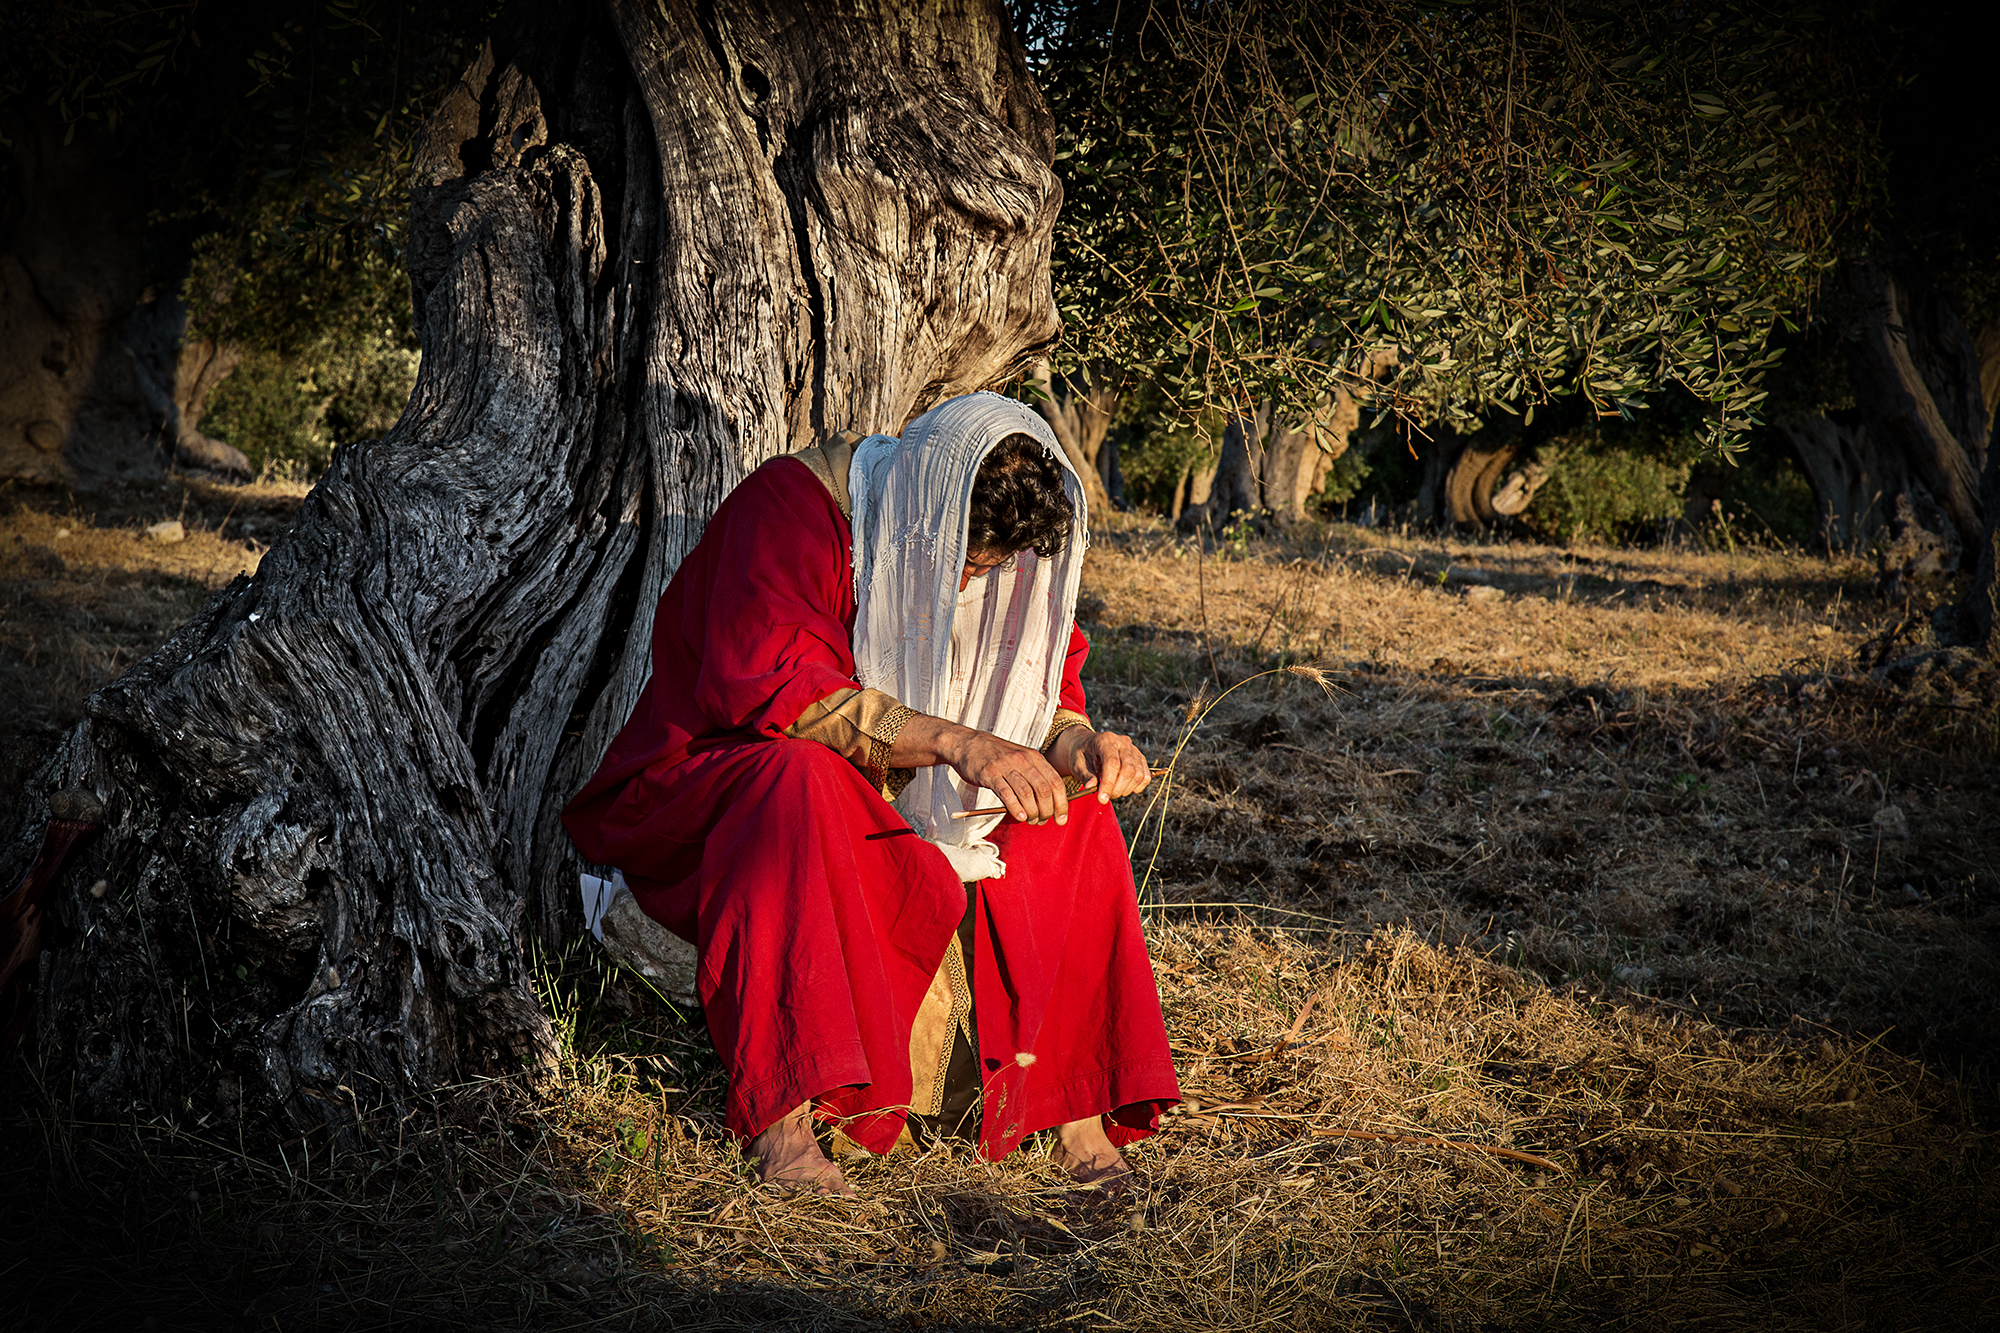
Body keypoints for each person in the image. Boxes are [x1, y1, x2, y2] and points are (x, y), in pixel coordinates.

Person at [562, 392, 1180, 1194]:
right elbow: (778, 690)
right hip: (726, 783)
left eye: (988, 571)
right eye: (963, 561)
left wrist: (1082, 746)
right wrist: (963, 744)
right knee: (801, 780)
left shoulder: (1012, 556)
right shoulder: (792, 507)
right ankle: (785, 1119)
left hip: (911, 786)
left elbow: (1042, 689)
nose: (970, 582)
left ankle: (1078, 1117)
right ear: (930, 506)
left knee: (1074, 808)